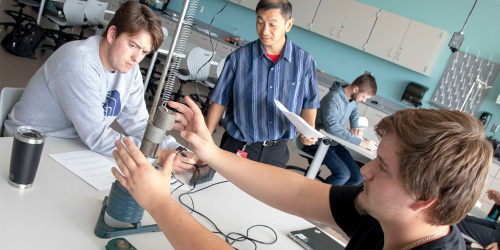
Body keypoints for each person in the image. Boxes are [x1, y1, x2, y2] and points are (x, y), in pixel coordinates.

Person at [111, 96, 492, 250]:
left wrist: (160, 203)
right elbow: (298, 193)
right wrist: (210, 150)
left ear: (425, 199)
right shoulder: (394, 218)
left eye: (384, 168)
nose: (366, 170)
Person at [3, 1, 195, 172]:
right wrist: (157, 155)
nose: (137, 58)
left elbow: (137, 123)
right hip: (27, 147)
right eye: (132, 45)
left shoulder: (129, 69)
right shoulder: (79, 63)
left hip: (73, 144)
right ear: (112, 34)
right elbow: (97, 135)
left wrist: (176, 149)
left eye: (144, 52)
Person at [205, 0, 320, 168]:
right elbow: (219, 100)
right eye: (260, 22)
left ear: (289, 24)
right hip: (238, 145)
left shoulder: (305, 62)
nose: (265, 31)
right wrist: (206, 140)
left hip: (276, 152)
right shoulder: (239, 58)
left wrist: (309, 130)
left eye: (273, 25)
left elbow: (309, 103)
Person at [302, 74, 377, 186]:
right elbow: (332, 128)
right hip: (317, 142)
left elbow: (354, 111)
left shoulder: (352, 99)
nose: (364, 100)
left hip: (333, 143)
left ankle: (334, 198)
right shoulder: (333, 99)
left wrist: (355, 126)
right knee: (343, 174)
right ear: (356, 89)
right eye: (364, 97)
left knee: (358, 177)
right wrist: (361, 143)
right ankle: (313, 197)